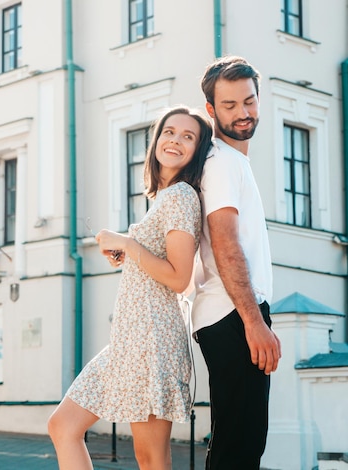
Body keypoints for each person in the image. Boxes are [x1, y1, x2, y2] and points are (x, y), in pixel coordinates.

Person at [48, 106, 213, 470]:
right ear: (157, 139)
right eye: (170, 131)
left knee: (150, 458)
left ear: (197, 151)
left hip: (152, 337)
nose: (175, 140)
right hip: (128, 339)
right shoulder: (163, 198)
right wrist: (130, 251)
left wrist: (129, 244)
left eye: (188, 137)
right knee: (63, 426)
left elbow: (178, 277)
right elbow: (157, 263)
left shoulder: (182, 196)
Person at [191, 55, 282, 470]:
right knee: (240, 446)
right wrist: (254, 322)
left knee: (238, 442)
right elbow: (226, 245)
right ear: (211, 110)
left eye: (249, 101)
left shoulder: (231, 161)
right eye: (229, 105)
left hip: (230, 313)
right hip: (233, 313)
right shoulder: (223, 161)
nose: (243, 113)